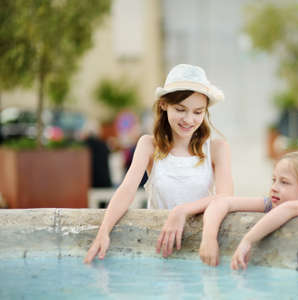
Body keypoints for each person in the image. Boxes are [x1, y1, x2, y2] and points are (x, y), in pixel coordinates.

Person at [84, 64, 233, 263]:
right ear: (164, 105)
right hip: (158, 247)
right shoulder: (148, 145)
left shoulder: (217, 148)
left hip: (199, 247)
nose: (189, 119)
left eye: (198, 112)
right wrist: (103, 231)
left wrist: (182, 211)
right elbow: (126, 190)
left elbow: (225, 198)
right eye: (181, 109)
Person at [199, 151, 298, 270]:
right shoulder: (273, 204)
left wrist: (248, 240)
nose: (274, 187)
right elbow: (222, 202)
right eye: (274, 180)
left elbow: (291, 208)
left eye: (284, 182)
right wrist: (209, 238)